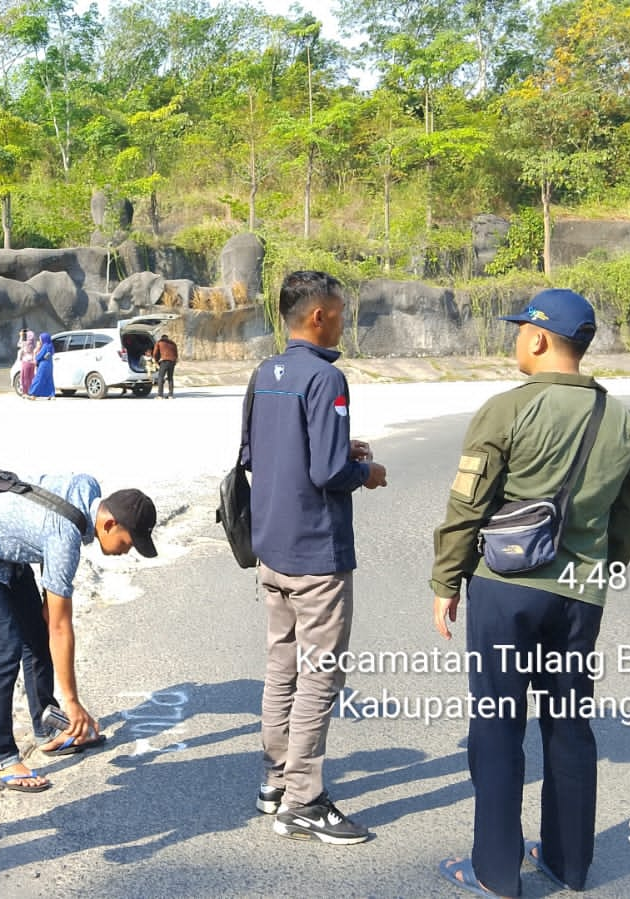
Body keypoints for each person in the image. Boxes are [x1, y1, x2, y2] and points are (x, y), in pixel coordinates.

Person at [430, 288, 630, 899]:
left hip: (507, 590)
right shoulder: (623, 420)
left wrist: (446, 579)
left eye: (518, 331)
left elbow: (466, 506)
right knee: (569, 724)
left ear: (536, 337)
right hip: (580, 597)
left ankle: (496, 872)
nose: (515, 341)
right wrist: (596, 570)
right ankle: (567, 863)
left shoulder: (506, 409)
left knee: (499, 725)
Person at [241, 270, 388, 845]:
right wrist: (365, 471)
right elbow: (328, 472)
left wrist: (332, 449)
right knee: (320, 675)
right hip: (317, 555)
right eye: (341, 310)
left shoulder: (264, 373)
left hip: (271, 548)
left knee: (281, 667)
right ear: (319, 315)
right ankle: (303, 799)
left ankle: (275, 781)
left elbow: (257, 454)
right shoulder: (328, 379)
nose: (345, 319)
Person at [0, 474, 158, 792]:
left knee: (36, 637)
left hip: (7, 553)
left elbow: (49, 616)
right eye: (129, 542)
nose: (129, 551)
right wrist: (72, 701)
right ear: (109, 524)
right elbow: (60, 626)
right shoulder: (65, 539)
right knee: (5, 650)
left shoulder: (87, 489)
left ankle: (47, 727)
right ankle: (1, 755)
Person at [26, 332, 55, 400]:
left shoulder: (45, 346)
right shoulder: (50, 346)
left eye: (41, 338)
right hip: (49, 364)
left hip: (43, 365)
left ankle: (33, 394)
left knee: (38, 379)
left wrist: (36, 355)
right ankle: (51, 395)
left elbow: (39, 356)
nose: (40, 340)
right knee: (49, 380)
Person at [150, 334, 178, 399]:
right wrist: (174, 361)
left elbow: (155, 353)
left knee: (160, 377)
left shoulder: (160, 342)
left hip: (164, 361)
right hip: (172, 361)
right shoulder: (173, 343)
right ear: (167, 338)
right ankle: (170, 395)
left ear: (162, 338)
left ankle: (160, 395)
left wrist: (155, 360)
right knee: (170, 378)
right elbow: (176, 353)